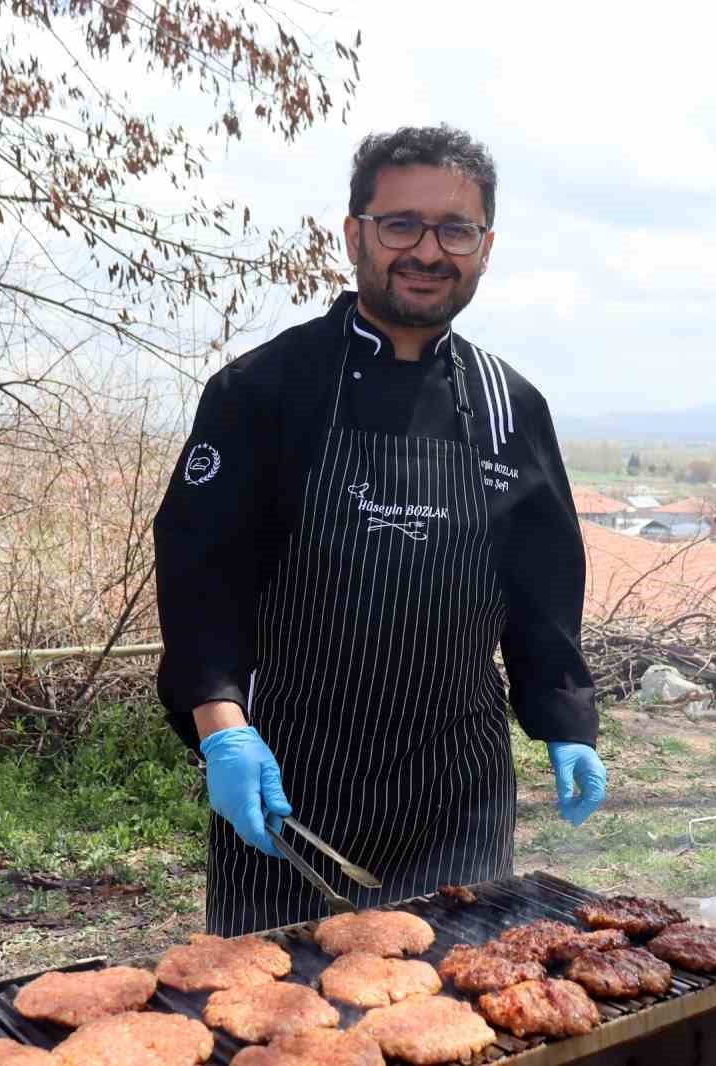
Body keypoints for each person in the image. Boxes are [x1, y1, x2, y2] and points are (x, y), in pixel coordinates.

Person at [153, 124, 606, 935]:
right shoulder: (264, 389)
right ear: (355, 233)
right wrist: (222, 728)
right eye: (401, 224)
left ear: (486, 247)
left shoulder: (511, 407)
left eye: (455, 230)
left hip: (457, 791)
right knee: (273, 1005)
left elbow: (543, 591)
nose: (427, 251)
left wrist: (566, 723)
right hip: (290, 790)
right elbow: (200, 577)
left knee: (463, 1000)